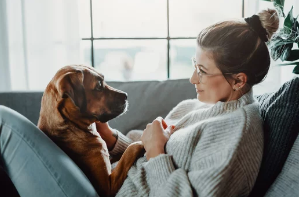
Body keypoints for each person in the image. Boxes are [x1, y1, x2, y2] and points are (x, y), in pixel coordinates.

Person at [0, 9, 279, 197]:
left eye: (203, 71)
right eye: (196, 65)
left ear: (239, 80)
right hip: (106, 179)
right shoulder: (196, 107)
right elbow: (142, 152)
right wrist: (113, 141)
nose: (193, 78)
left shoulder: (238, 132)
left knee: (3, 125)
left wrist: (157, 151)